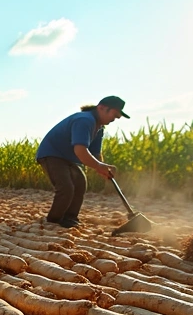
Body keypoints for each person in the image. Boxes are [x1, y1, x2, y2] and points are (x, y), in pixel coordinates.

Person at [34, 95, 129, 228]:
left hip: (69, 157)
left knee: (80, 183)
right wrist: (98, 166)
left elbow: (95, 153)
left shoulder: (99, 128)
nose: (116, 118)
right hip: (52, 153)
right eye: (115, 113)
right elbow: (80, 150)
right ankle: (54, 220)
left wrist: (102, 168)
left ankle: (70, 218)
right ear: (101, 108)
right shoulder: (84, 120)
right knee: (66, 187)